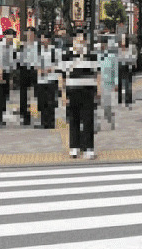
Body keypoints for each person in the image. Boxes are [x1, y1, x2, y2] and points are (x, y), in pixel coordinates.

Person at [60, 31, 101, 159]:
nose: (79, 43)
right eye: (77, 40)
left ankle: (88, 148)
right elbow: (61, 76)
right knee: (74, 119)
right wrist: (63, 94)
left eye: (82, 41)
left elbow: (97, 73)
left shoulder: (91, 55)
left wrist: (98, 90)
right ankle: (74, 147)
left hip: (88, 92)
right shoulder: (67, 56)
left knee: (88, 120)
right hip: (72, 91)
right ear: (73, 41)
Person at [35, 29, 59, 129]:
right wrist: (38, 69)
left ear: (49, 39)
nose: (42, 39)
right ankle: (43, 122)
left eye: (44, 37)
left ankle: (51, 122)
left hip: (51, 79)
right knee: (42, 101)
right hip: (40, 80)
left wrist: (50, 69)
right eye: (41, 37)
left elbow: (58, 64)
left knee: (51, 101)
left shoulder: (54, 51)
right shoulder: (38, 51)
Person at [18, 27, 39, 126]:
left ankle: (38, 113)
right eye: (28, 33)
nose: (29, 35)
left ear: (34, 35)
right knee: (24, 95)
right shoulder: (22, 46)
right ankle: (25, 116)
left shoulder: (38, 46)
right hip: (24, 71)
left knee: (35, 94)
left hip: (35, 71)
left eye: (31, 33)